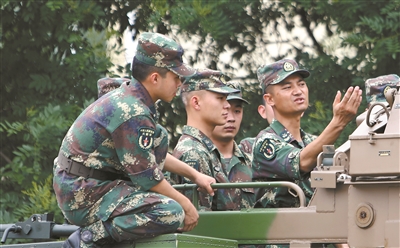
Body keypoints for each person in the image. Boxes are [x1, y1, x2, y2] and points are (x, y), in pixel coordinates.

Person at [53, 32, 216, 248]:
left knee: (160, 139)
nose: (180, 83)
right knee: (171, 212)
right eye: (176, 77)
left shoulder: (133, 99)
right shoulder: (132, 111)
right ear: (155, 78)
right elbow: (147, 177)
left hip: (93, 184)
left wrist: (196, 175)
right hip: (83, 193)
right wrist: (186, 205)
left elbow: (145, 156)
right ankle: (90, 237)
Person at [252, 58, 362, 208]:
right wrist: (339, 122)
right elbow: (302, 162)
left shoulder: (316, 141)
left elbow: (337, 178)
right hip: (283, 228)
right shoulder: (265, 143)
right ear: (269, 99)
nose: (298, 91)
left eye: (301, 84)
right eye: (287, 87)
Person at [171, 69, 255, 211]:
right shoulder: (193, 152)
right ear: (196, 102)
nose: (227, 105)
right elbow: (201, 223)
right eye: (220, 98)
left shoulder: (204, 149)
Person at [209, 81, 255, 209]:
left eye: (237, 111)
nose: (231, 118)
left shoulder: (253, 160)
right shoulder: (197, 156)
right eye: (225, 110)